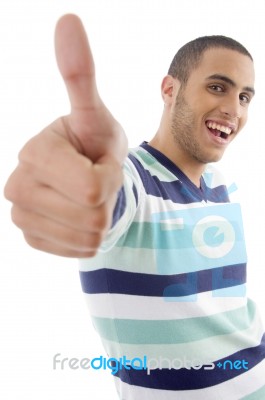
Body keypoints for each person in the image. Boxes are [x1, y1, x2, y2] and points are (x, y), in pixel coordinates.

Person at [4, 14, 265, 400]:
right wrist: (81, 189)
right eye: (217, 87)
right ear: (169, 89)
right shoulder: (133, 179)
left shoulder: (219, 184)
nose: (234, 109)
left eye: (244, 96)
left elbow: (224, 309)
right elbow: (109, 200)